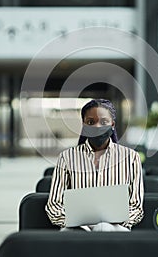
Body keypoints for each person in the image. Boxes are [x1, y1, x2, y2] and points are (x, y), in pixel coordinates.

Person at [45, 98, 144, 231]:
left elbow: (136, 206)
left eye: (104, 122)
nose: (97, 127)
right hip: (77, 228)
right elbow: (54, 205)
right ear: (84, 124)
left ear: (112, 125)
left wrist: (114, 224)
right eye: (91, 122)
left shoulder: (131, 157)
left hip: (116, 228)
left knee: (104, 229)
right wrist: (76, 222)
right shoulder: (67, 157)